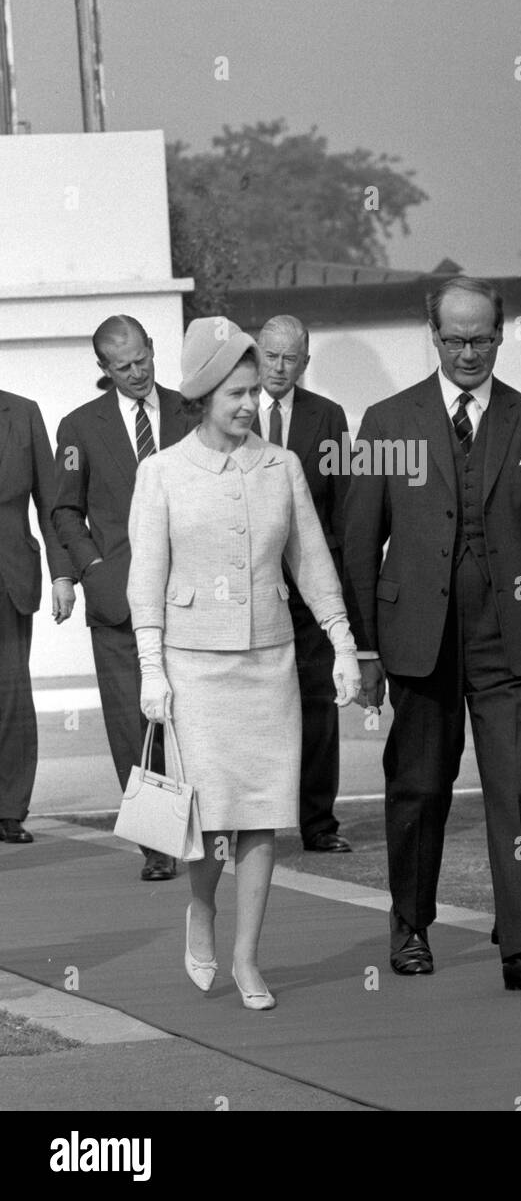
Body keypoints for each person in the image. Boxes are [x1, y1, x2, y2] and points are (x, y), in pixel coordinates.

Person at [343, 275, 521, 997]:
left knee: (513, 790)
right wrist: (368, 648)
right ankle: (410, 927)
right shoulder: (385, 422)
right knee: (416, 789)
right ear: (432, 336)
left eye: (481, 338)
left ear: (501, 334)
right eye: (454, 339)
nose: (468, 352)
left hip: (507, 642)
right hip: (418, 641)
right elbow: (358, 541)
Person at [127, 317, 361, 1010]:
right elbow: (146, 577)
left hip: (270, 662)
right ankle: (202, 907)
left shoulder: (280, 466)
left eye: (253, 391)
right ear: (202, 395)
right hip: (193, 667)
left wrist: (342, 643)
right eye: (234, 393)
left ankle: (248, 960)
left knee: (263, 813)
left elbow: (312, 560)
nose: (248, 404)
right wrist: (150, 667)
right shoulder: (161, 472)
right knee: (205, 816)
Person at [52, 315, 190, 880]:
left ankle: (204, 831)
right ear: (103, 370)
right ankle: (156, 845)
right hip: (118, 603)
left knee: (193, 717)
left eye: (142, 360)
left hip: (192, 595)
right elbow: (65, 509)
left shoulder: (194, 411)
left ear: (153, 349)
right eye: (122, 366)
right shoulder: (77, 427)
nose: (136, 373)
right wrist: (92, 571)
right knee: (133, 725)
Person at [257, 314, 352, 853]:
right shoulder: (235, 410)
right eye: (271, 355)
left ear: (305, 363)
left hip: (312, 589)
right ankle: (256, 823)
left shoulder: (328, 416)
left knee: (319, 706)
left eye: (290, 358)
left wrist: (341, 589)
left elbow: (344, 506)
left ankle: (319, 823)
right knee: (258, 707)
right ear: (256, 352)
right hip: (252, 587)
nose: (279, 366)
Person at [0, 391, 75, 844]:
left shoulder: (23, 412)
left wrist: (61, 575)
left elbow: (52, 502)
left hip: (10, 576)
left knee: (9, 697)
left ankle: (9, 808)